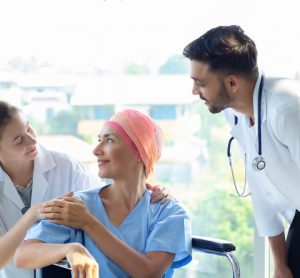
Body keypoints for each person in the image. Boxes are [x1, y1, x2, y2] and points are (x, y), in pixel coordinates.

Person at [15, 109, 192, 278]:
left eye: (109, 140)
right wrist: (71, 249)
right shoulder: (79, 205)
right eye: (99, 139)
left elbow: (148, 273)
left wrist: (89, 223)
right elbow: (23, 255)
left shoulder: (170, 213)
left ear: (139, 151)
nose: (96, 150)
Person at [182, 25, 300, 278]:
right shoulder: (234, 114)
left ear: (232, 82)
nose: (194, 92)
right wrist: (279, 264)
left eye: (200, 83)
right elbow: (262, 191)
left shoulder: (287, 109)